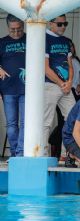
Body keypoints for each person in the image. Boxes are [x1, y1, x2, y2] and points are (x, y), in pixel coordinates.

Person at [43, 14, 75, 156]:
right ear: (51, 23)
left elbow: (70, 65)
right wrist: (62, 83)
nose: (63, 27)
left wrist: (69, 83)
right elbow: (45, 68)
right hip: (50, 85)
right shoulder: (44, 38)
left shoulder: (65, 41)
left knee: (74, 118)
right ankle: (43, 154)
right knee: (46, 121)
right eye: (60, 24)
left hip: (66, 87)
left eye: (65, 24)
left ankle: (65, 154)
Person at [0, 14, 26, 157]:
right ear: (7, 27)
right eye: (12, 30)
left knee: (25, 123)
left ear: (23, 25)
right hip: (8, 89)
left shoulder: (31, 38)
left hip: (27, 89)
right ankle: (15, 153)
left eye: (19, 29)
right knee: (11, 125)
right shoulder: (2, 42)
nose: (16, 32)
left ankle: (20, 153)